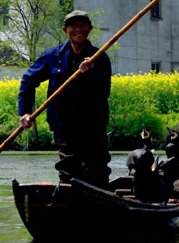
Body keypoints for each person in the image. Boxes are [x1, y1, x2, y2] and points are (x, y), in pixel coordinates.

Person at [18, 10, 112, 186]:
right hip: (63, 124)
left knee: (97, 169)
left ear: (89, 29)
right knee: (69, 168)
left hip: (93, 124)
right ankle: (68, 202)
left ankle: (101, 202)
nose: (78, 30)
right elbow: (28, 80)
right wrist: (24, 113)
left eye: (82, 26)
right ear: (65, 30)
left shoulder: (100, 58)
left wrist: (90, 73)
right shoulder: (53, 56)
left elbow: (104, 91)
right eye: (73, 26)